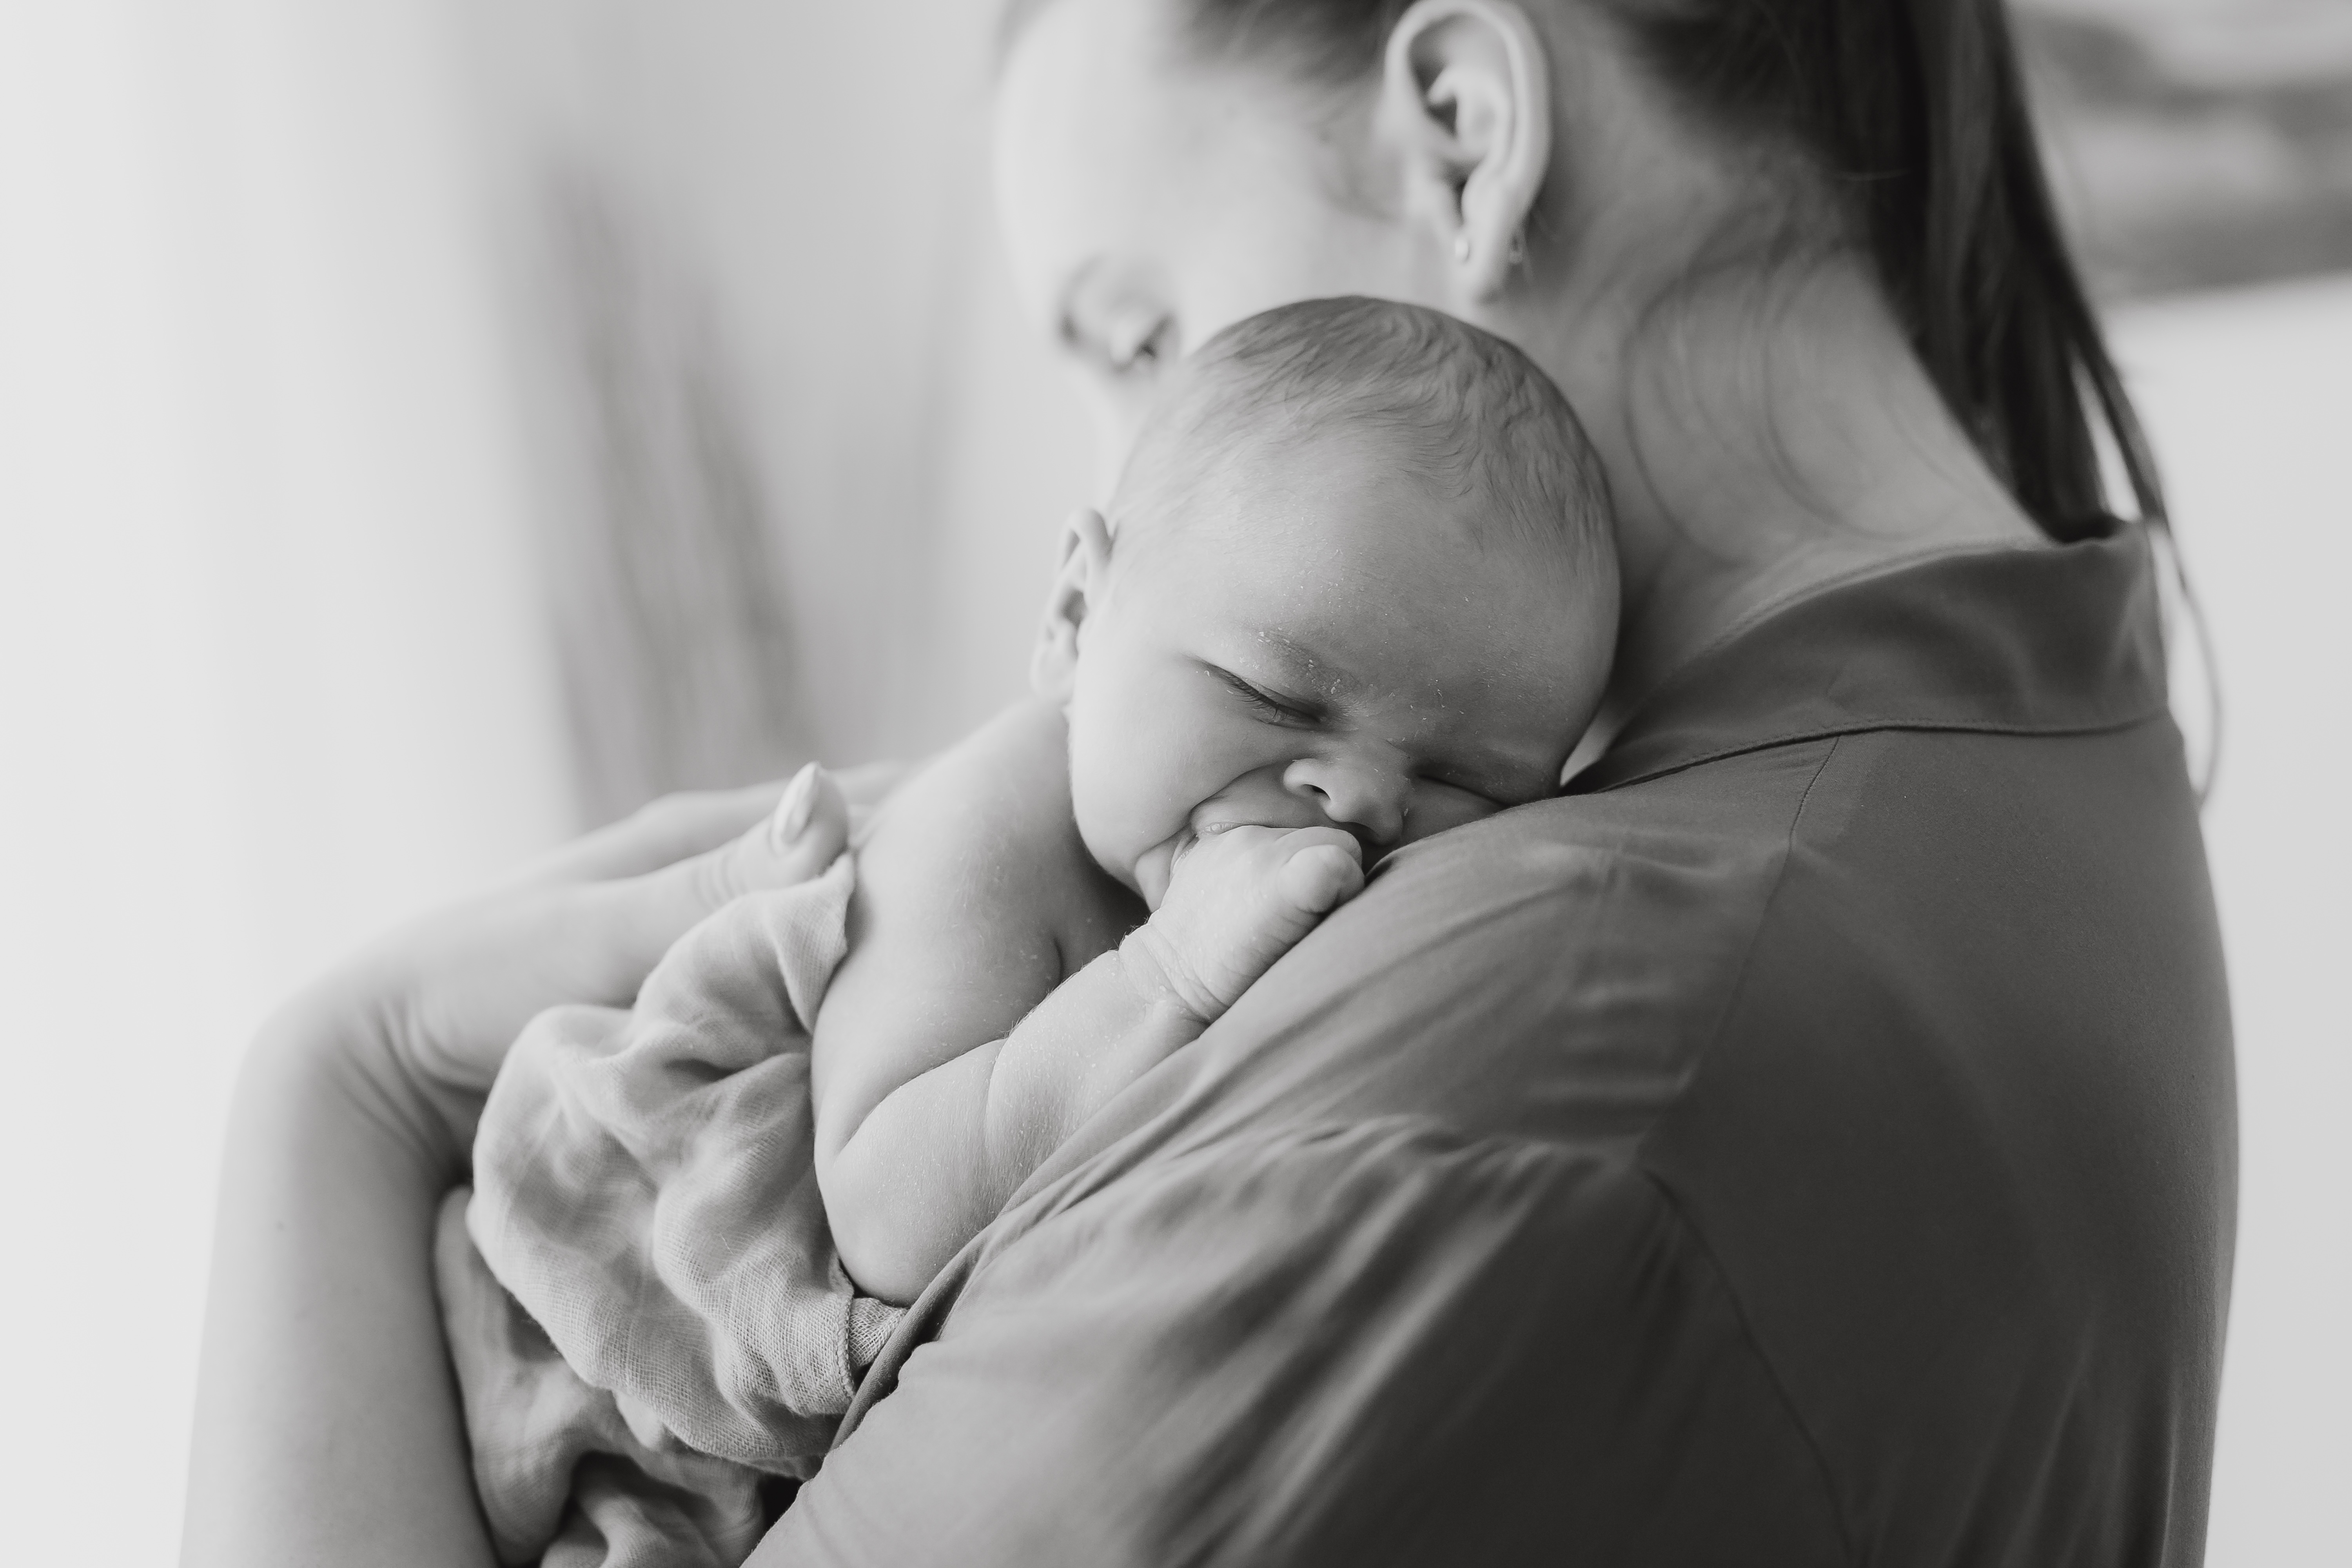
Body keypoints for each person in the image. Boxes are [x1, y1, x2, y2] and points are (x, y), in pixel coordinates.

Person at [184, 2, 2234, 1565]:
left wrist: (345, 1089)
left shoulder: (1512, 1069)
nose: (1112, 503)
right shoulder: (2051, 765)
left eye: (1144, 337)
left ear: (1464, 128)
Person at [436, 298, 1617, 1563]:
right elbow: (885, 1215)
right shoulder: (990, 831)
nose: (1366, 799)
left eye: (1469, 780)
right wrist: (1161, 975)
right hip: (597, 1350)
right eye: (1277, 695)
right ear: (1072, 617)